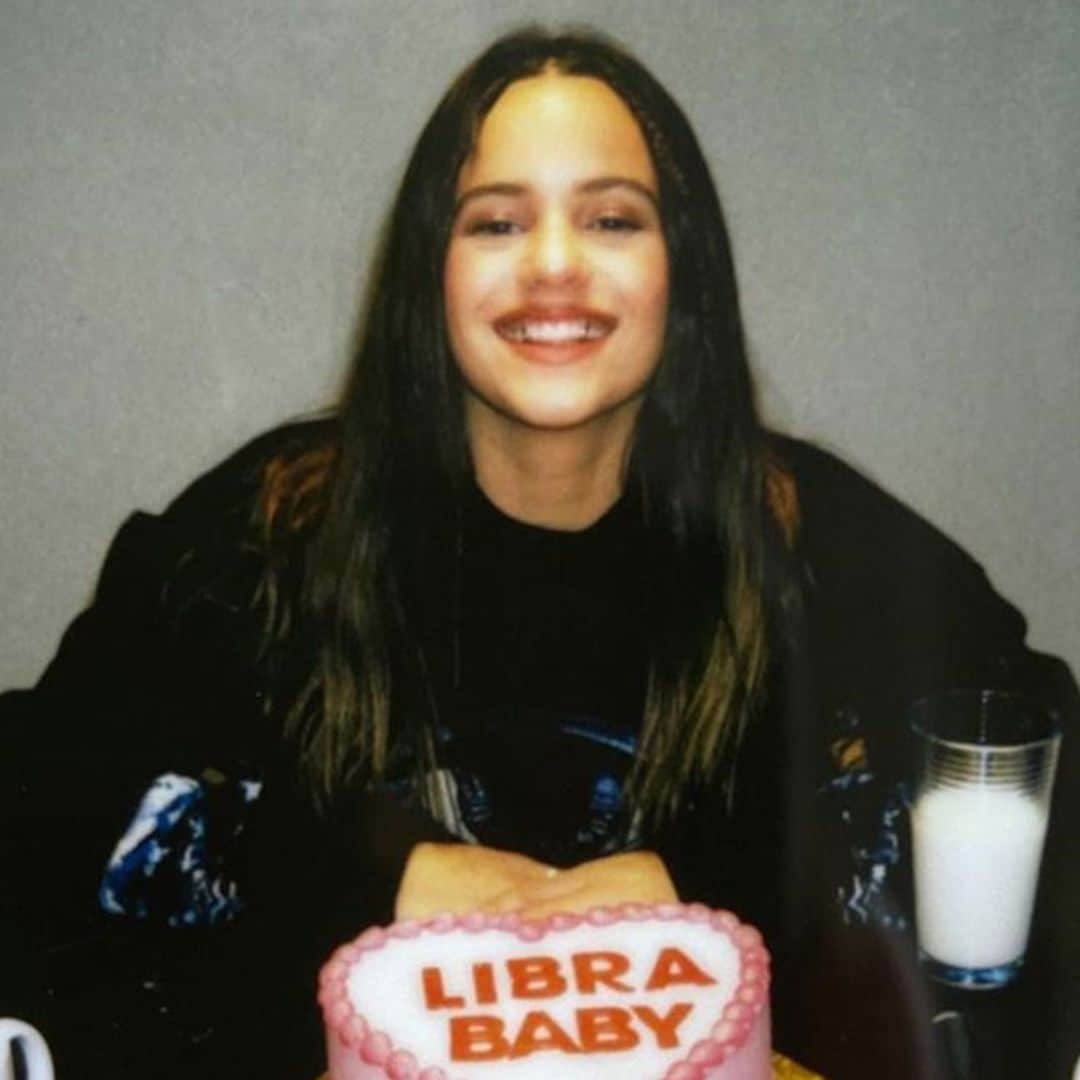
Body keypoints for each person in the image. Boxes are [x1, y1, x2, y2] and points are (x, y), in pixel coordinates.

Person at [1, 26, 1076, 1080]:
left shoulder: (818, 540)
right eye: (496, 223)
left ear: (682, 273)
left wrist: (703, 889)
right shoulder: (264, 535)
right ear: (430, 270)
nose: (555, 267)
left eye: (612, 218)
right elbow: (53, 808)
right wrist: (375, 883)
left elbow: (1022, 765)